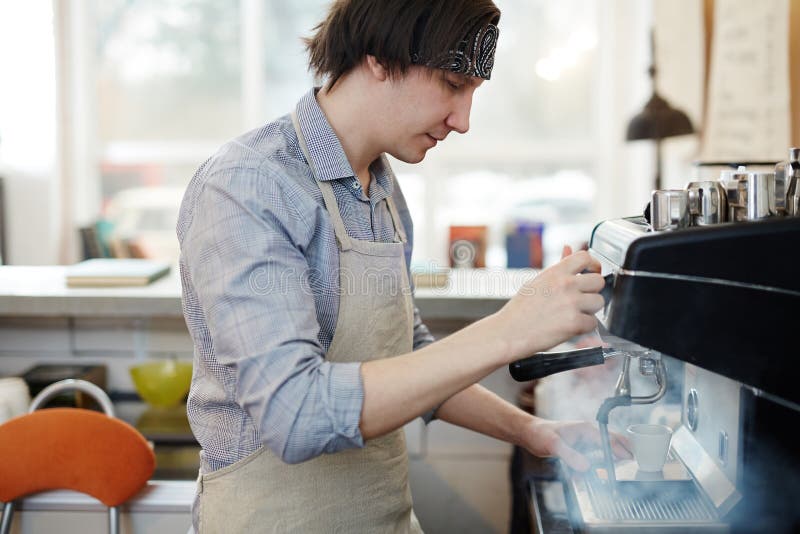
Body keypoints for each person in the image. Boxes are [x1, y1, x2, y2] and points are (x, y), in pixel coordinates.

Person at [177, 1, 630, 532]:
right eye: (452, 85)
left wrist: (534, 431)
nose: (463, 121)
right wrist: (510, 329)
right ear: (379, 57)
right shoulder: (248, 186)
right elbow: (293, 415)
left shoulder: (384, 189)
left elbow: (409, 356)